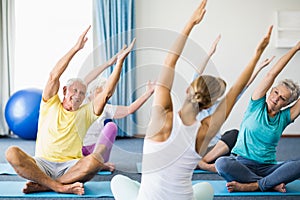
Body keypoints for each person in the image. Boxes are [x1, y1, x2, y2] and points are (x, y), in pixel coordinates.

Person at [110, 0, 273, 199]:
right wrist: (256, 54)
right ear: (210, 104)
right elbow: (235, 91)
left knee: (118, 181)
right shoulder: (205, 129)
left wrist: (190, 24)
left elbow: (170, 60)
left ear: (188, 89)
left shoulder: (161, 115)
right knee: (206, 188)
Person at [5, 25, 136, 195]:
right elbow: (54, 76)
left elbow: (106, 94)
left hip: (70, 167)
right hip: (42, 163)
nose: (78, 95)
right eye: (74, 90)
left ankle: (48, 184)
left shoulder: (86, 112)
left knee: (96, 160)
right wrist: (75, 48)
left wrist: (119, 64)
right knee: (11, 153)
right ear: (65, 91)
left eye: (82, 93)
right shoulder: (50, 103)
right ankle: (60, 186)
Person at [215, 41, 300, 193]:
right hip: (242, 165)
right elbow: (271, 74)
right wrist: (295, 48)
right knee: (222, 163)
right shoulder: (256, 104)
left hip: (269, 168)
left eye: (282, 98)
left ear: (287, 103)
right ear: (271, 90)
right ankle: (268, 184)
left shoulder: (285, 117)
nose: (276, 98)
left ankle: (254, 185)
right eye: (275, 92)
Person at [193, 36, 275, 172]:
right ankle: (205, 164)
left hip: (214, 151)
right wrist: (209, 53)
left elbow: (242, 87)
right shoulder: (192, 105)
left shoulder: (220, 106)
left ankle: (202, 163)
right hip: (195, 150)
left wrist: (258, 68)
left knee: (234, 134)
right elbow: (196, 74)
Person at [79, 47, 155, 165]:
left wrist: (148, 93)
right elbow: (85, 80)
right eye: (102, 91)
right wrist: (109, 63)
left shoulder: (107, 108)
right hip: (78, 150)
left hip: (95, 150)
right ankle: (86, 161)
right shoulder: (82, 101)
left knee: (111, 126)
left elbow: (129, 109)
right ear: (95, 90)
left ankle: (98, 161)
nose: (105, 95)